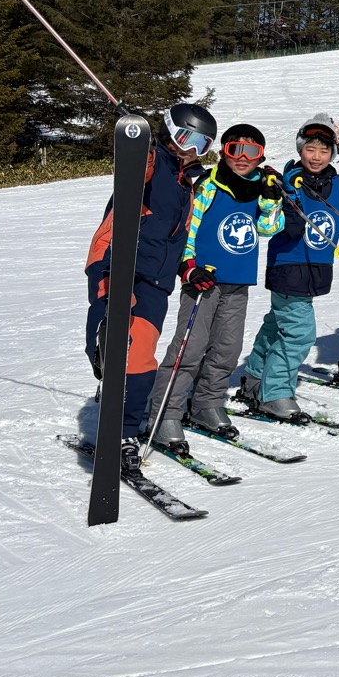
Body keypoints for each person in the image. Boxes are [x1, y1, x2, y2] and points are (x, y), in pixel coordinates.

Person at [83, 102, 212, 475]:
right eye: (187, 137)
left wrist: (185, 268)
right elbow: (135, 173)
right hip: (117, 261)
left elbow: (178, 236)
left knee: (141, 357)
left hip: (157, 278)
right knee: (109, 342)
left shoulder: (188, 183)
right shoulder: (154, 163)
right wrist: (138, 142)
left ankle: (124, 430)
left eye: (202, 144)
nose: (192, 148)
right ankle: (108, 378)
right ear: (170, 130)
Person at [149, 123, 285, 451]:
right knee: (189, 348)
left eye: (250, 152)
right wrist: (189, 265)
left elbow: (269, 228)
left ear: (260, 156)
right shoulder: (209, 184)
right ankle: (164, 412)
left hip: (238, 281)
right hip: (204, 281)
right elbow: (189, 226)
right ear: (223, 151)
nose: (242, 158)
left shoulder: (258, 187)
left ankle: (207, 403)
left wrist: (271, 199)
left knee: (227, 348)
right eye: (234, 149)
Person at [236, 115, 339, 422]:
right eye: (310, 149)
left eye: (324, 151)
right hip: (287, 268)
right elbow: (281, 227)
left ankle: (255, 378)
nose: (316, 156)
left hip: (316, 271)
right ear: (300, 149)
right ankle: (274, 394)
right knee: (299, 334)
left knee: (278, 326)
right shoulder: (285, 184)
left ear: (333, 154)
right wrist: (286, 194)